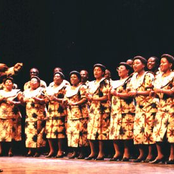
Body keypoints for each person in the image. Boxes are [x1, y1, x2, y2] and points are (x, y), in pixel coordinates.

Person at [128, 56, 157, 162]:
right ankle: (141, 154)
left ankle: (150, 154)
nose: (134, 65)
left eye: (137, 63)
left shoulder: (148, 75)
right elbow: (129, 89)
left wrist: (137, 92)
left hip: (149, 105)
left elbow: (151, 91)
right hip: (139, 107)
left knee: (148, 130)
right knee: (138, 130)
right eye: (134, 63)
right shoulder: (133, 77)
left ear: (143, 65)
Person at [109, 62, 135, 161]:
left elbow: (130, 95)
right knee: (115, 132)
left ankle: (126, 152)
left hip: (126, 109)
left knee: (125, 132)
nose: (119, 70)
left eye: (122, 68)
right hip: (115, 109)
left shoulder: (130, 81)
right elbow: (110, 95)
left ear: (127, 70)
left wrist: (117, 94)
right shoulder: (114, 82)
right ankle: (117, 152)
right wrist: (110, 94)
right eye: (118, 69)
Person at [151, 54, 174, 164]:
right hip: (161, 106)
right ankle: (160, 155)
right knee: (158, 130)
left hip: (171, 105)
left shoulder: (173, 76)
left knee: (171, 131)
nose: (161, 64)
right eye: (160, 62)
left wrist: (160, 91)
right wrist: (154, 94)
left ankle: (172, 155)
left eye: (164, 62)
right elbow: (154, 91)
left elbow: (172, 91)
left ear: (170, 65)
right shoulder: (158, 77)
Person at [85, 63, 110, 160]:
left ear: (103, 72)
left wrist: (94, 99)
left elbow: (106, 97)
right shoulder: (91, 83)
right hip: (92, 109)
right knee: (91, 130)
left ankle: (101, 152)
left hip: (102, 109)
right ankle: (93, 152)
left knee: (101, 131)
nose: (96, 72)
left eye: (98, 70)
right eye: (95, 70)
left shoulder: (105, 82)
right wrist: (89, 98)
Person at [64, 71, 88, 159]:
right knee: (72, 132)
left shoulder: (82, 87)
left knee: (80, 132)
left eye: (74, 77)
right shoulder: (68, 89)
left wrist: (76, 103)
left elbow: (85, 99)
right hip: (70, 114)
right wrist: (64, 103)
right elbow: (65, 100)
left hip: (80, 114)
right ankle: (74, 151)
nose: (72, 79)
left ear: (79, 78)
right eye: (71, 77)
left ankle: (82, 151)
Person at [45, 71, 68, 158]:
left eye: (58, 76)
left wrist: (56, 99)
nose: (56, 78)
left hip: (60, 111)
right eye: (55, 76)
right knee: (49, 131)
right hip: (51, 111)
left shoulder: (65, 87)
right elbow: (45, 100)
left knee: (59, 131)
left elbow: (66, 100)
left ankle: (60, 150)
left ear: (62, 79)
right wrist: (47, 99)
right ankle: (52, 150)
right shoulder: (49, 87)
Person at [23, 76, 47, 157]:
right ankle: (30, 150)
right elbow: (23, 102)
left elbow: (45, 101)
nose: (33, 82)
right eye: (31, 81)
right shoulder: (26, 91)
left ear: (38, 83)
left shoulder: (41, 90)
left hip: (38, 114)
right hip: (29, 115)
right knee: (29, 133)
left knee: (38, 132)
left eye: (35, 81)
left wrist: (37, 99)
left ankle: (38, 150)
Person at [0, 77, 23, 157]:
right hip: (2, 114)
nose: (8, 83)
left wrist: (15, 102)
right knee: (1, 132)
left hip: (13, 114)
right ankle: (1, 149)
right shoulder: (1, 92)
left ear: (13, 84)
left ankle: (10, 150)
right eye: (7, 82)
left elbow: (22, 101)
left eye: (10, 82)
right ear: (4, 84)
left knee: (12, 132)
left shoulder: (17, 92)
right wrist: (2, 99)